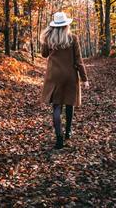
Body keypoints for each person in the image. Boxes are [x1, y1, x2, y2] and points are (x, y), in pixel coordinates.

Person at [40, 12, 89, 150]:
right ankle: (68, 131)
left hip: (54, 76)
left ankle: (59, 138)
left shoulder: (49, 38)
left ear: (54, 26)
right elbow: (78, 60)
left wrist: (46, 41)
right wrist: (84, 78)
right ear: (66, 24)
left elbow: (44, 55)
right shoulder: (73, 38)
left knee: (56, 107)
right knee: (69, 104)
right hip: (70, 76)